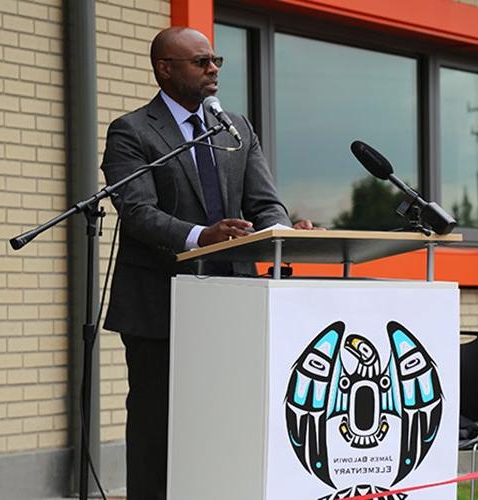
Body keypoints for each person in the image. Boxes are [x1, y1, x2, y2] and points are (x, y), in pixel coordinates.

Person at [100, 27, 314, 499]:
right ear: (165, 68)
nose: (213, 68)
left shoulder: (235, 127)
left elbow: (265, 203)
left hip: (236, 301)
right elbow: (137, 212)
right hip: (160, 305)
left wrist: (278, 232)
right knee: (161, 424)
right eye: (201, 62)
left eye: (215, 60)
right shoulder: (132, 131)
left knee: (229, 419)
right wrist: (201, 237)